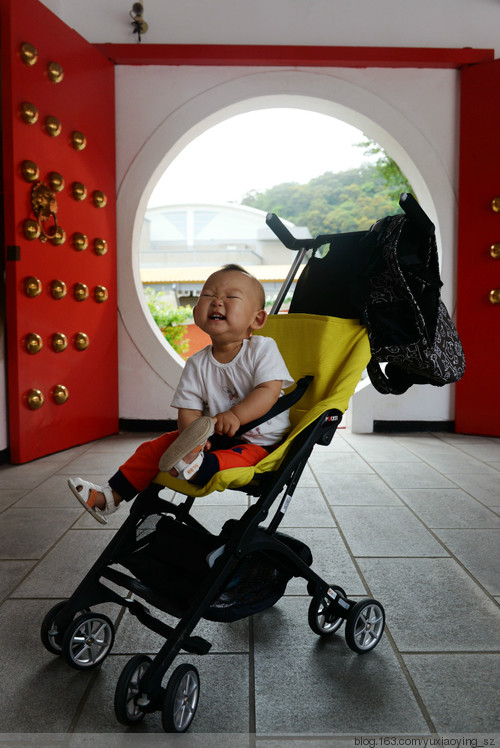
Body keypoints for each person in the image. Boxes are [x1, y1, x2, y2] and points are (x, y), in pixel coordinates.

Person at [68, 264, 294, 523]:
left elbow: (269, 390)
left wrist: (236, 415)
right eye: (208, 295)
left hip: (259, 444)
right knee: (154, 448)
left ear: (257, 319)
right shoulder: (197, 363)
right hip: (212, 437)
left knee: (231, 460)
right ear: (196, 311)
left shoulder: (262, 349)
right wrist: (192, 441)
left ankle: (197, 468)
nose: (218, 302)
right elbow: (189, 410)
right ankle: (110, 497)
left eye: (231, 297)